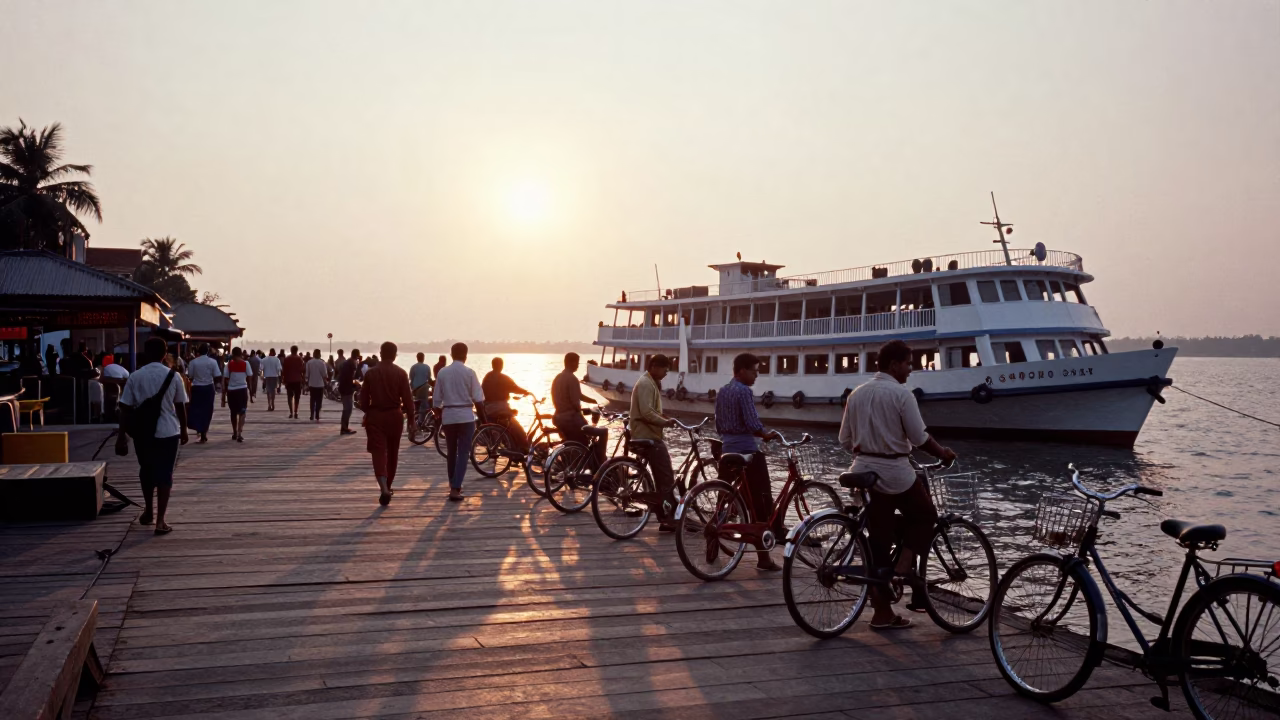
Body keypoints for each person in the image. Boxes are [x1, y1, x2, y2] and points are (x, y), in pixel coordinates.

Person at [839, 339, 956, 631]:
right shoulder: (901, 394)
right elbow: (918, 437)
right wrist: (943, 453)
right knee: (926, 515)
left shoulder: (857, 393)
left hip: (863, 469)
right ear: (894, 365)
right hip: (894, 471)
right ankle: (904, 566)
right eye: (908, 363)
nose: (910, 369)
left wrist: (868, 449)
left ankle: (882, 613)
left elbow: (844, 440)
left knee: (879, 540)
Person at [715, 352, 784, 571]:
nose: (756, 375)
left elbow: (718, 423)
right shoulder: (744, 391)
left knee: (724, 498)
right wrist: (766, 434)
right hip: (746, 450)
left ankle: (712, 543)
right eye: (754, 371)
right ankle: (763, 559)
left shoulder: (723, 390)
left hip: (727, 448)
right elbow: (753, 423)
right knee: (761, 503)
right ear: (742, 371)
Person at [115, 336, 189, 535]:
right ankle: (161, 521)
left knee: (146, 471)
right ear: (165, 354)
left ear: (145, 354)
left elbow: (125, 408)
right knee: (165, 474)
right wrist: (183, 429)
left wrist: (121, 436)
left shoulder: (135, 376)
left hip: (143, 433)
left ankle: (148, 510)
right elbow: (181, 405)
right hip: (168, 432)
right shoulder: (174, 376)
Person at [359, 342, 415, 505]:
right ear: (395, 355)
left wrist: (368, 412)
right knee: (392, 453)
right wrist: (411, 420)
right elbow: (408, 400)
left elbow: (363, 401)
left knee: (378, 452)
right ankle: (388, 486)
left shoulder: (371, 373)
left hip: (376, 416)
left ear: (381, 353)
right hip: (395, 417)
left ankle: (383, 486)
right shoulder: (401, 373)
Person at [629, 354, 679, 531]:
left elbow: (652, 411)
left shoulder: (650, 383)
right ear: (655, 366)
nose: (666, 372)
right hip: (647, 436)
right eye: (665, 368)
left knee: (661, 477)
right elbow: (646, 413)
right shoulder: (645, 384)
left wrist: (666, 417)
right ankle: (667, 518)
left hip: (648, 434)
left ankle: (664, 515)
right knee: (666, 477)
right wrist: (665, 422)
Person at [433, 342, 485, 502]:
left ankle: (453, 483)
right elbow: (478, 399)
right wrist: (484, 420)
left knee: (451, 452)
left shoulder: (442, 373)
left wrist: (439, 414)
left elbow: (436, 400)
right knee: (463, 452)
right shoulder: (470, 373)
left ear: (451, 354)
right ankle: (456, 488)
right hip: (466, 417)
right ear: (466, 355)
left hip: (449, 416)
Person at [551, 352, 603, 466]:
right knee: (594, 435)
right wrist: (585, 411)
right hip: (570, 418)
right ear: (570, 362)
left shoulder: (558, 377)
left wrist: (594, 401)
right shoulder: (572, 378)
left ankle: (574, 462)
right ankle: (592, 465)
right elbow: (575, 403)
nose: (578, 365)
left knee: (574, 439)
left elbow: (578, 396)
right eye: (577, 362)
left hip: (558, 416)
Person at [481, 357, 530, 451]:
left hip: (487, 408)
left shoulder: (487, 377)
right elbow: (515, 388)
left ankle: (508, 444)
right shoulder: (503, 378)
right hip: (500, 407)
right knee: (519, 430)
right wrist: (526, 392)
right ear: (501, 366)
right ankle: (521, 449)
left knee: (505, 425)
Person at [186, 344, 219, 443]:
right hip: (209, 387)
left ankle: (199, 430)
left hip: (197, 388)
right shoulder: (213, 362)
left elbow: (190, 376)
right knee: (208, 409)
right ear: (208, 351)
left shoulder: (193, 362)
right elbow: (217, 375)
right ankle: (204, 431)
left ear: (198, 352)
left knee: (197, 409)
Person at [221, 347, 251, 442]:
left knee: (233, 412)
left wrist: (223, 393)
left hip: (231, 391)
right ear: (241, 354)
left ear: (233, 354)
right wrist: (251, 390)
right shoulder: (246, 364)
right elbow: (249, 377)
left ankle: (234, 431)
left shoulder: (229, 365)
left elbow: (225, 380)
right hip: (242, 390)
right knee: (242, 412)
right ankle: (239, 433)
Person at [100, 356, 130, 423]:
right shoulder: (124, 370)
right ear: (120, 361)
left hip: (106, 388)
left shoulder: (107, 367)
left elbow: (101, 379)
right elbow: (128, 379)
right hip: (117, 389)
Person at [338, 349, 361, 435]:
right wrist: (356, 385)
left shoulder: (347, 362)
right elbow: (350, 378)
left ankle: (344, 427)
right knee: (348, 409)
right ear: (357, 355)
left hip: (343, 388)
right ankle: (344, 428)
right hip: (346, 389)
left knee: (347, 408)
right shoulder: (352, 364)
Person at [281, 346, 306, 419]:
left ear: (291, 350)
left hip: (289, 380)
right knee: (297, 397)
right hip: (297, 380)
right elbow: (302, 370)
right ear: (297, 350)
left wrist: (284, 380)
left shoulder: (287, 359)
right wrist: (303, 379)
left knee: (289, 396)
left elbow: (284, 370)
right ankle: (296, 412)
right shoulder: (299, 359)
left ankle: (291, 412)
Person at [409, 352, 433, 424]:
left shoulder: (413, 367)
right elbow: (429, 379)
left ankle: (415, 420)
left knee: (416, 405)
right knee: (424, 405)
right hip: (424, 387)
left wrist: (411, 389)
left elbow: (411, 378)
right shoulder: (427, 367)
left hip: (415, 389)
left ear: (417, 358)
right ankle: (421, 422)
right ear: (423, 358)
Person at [305, 349, 329, 421]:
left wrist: (306, 383)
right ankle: (317, 414)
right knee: (319, 400)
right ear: (319, 354)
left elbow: (307, 374)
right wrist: (326, 381)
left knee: (312, 399)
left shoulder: (309, 362)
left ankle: (312, 414)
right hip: (320, 384)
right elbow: (325, 374)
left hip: (312, 384)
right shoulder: (322, 363)